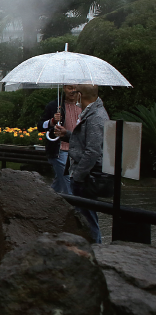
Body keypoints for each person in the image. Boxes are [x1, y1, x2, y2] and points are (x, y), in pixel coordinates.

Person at [55, 84, 109, 243]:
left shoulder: (96, 117)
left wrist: (78, 176)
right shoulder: (89, 113)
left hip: (86, 176)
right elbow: (84, 142)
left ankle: (96, 249)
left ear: (81, 95)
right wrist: (67, 135)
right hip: (82, 174)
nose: (72, 94)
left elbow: (93, 150)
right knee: (84, 213)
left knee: (88, 216)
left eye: (75, 92)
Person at [38, 85, 81, 194]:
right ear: (64, 88)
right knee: (68, 182)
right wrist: (52, 121)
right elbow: (40, 126)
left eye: (75, 88)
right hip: (60, 150)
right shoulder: (55, 106)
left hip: (77, 149)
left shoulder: (83, 106)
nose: (73, 91)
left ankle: (47, 202)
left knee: (59, 182)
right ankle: (75, 208)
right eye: (69, 88)